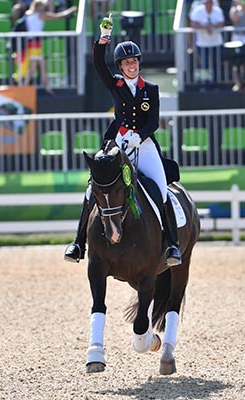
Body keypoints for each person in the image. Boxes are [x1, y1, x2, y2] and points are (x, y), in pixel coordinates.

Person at [64, 15, 182, 268]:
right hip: (117, 142)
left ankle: (172, 244)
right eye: (127, 62)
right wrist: (103, 38)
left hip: (144, 142)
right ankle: (78, 243)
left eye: (135, 61)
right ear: (120, 65)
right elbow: (98, 63)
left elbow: (153, 121)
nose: (132, 65)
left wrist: (139, 136)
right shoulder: (115, 84)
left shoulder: (150, 89)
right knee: (91, 189)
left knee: (161, 191)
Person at [14, 0, 77, 92]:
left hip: (30, 42)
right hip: (35, 43)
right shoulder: (41, 15)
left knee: (40, 64)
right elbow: (58, 16)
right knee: (37, 65)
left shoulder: (28, 13)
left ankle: (44, 85)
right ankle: (26, 86)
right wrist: (72, 10)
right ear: (39, 7)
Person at [188, 0, 226, 87]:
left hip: (216, 43)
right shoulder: (197, 11)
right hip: (202, 43)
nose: (209, 4)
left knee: (216, 64)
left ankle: (216, 84)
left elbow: (221, 23)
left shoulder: (217, 11)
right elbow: (193, 23)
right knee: (204, 64)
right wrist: (205, 27)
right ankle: (205, 84)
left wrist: (211, 26)